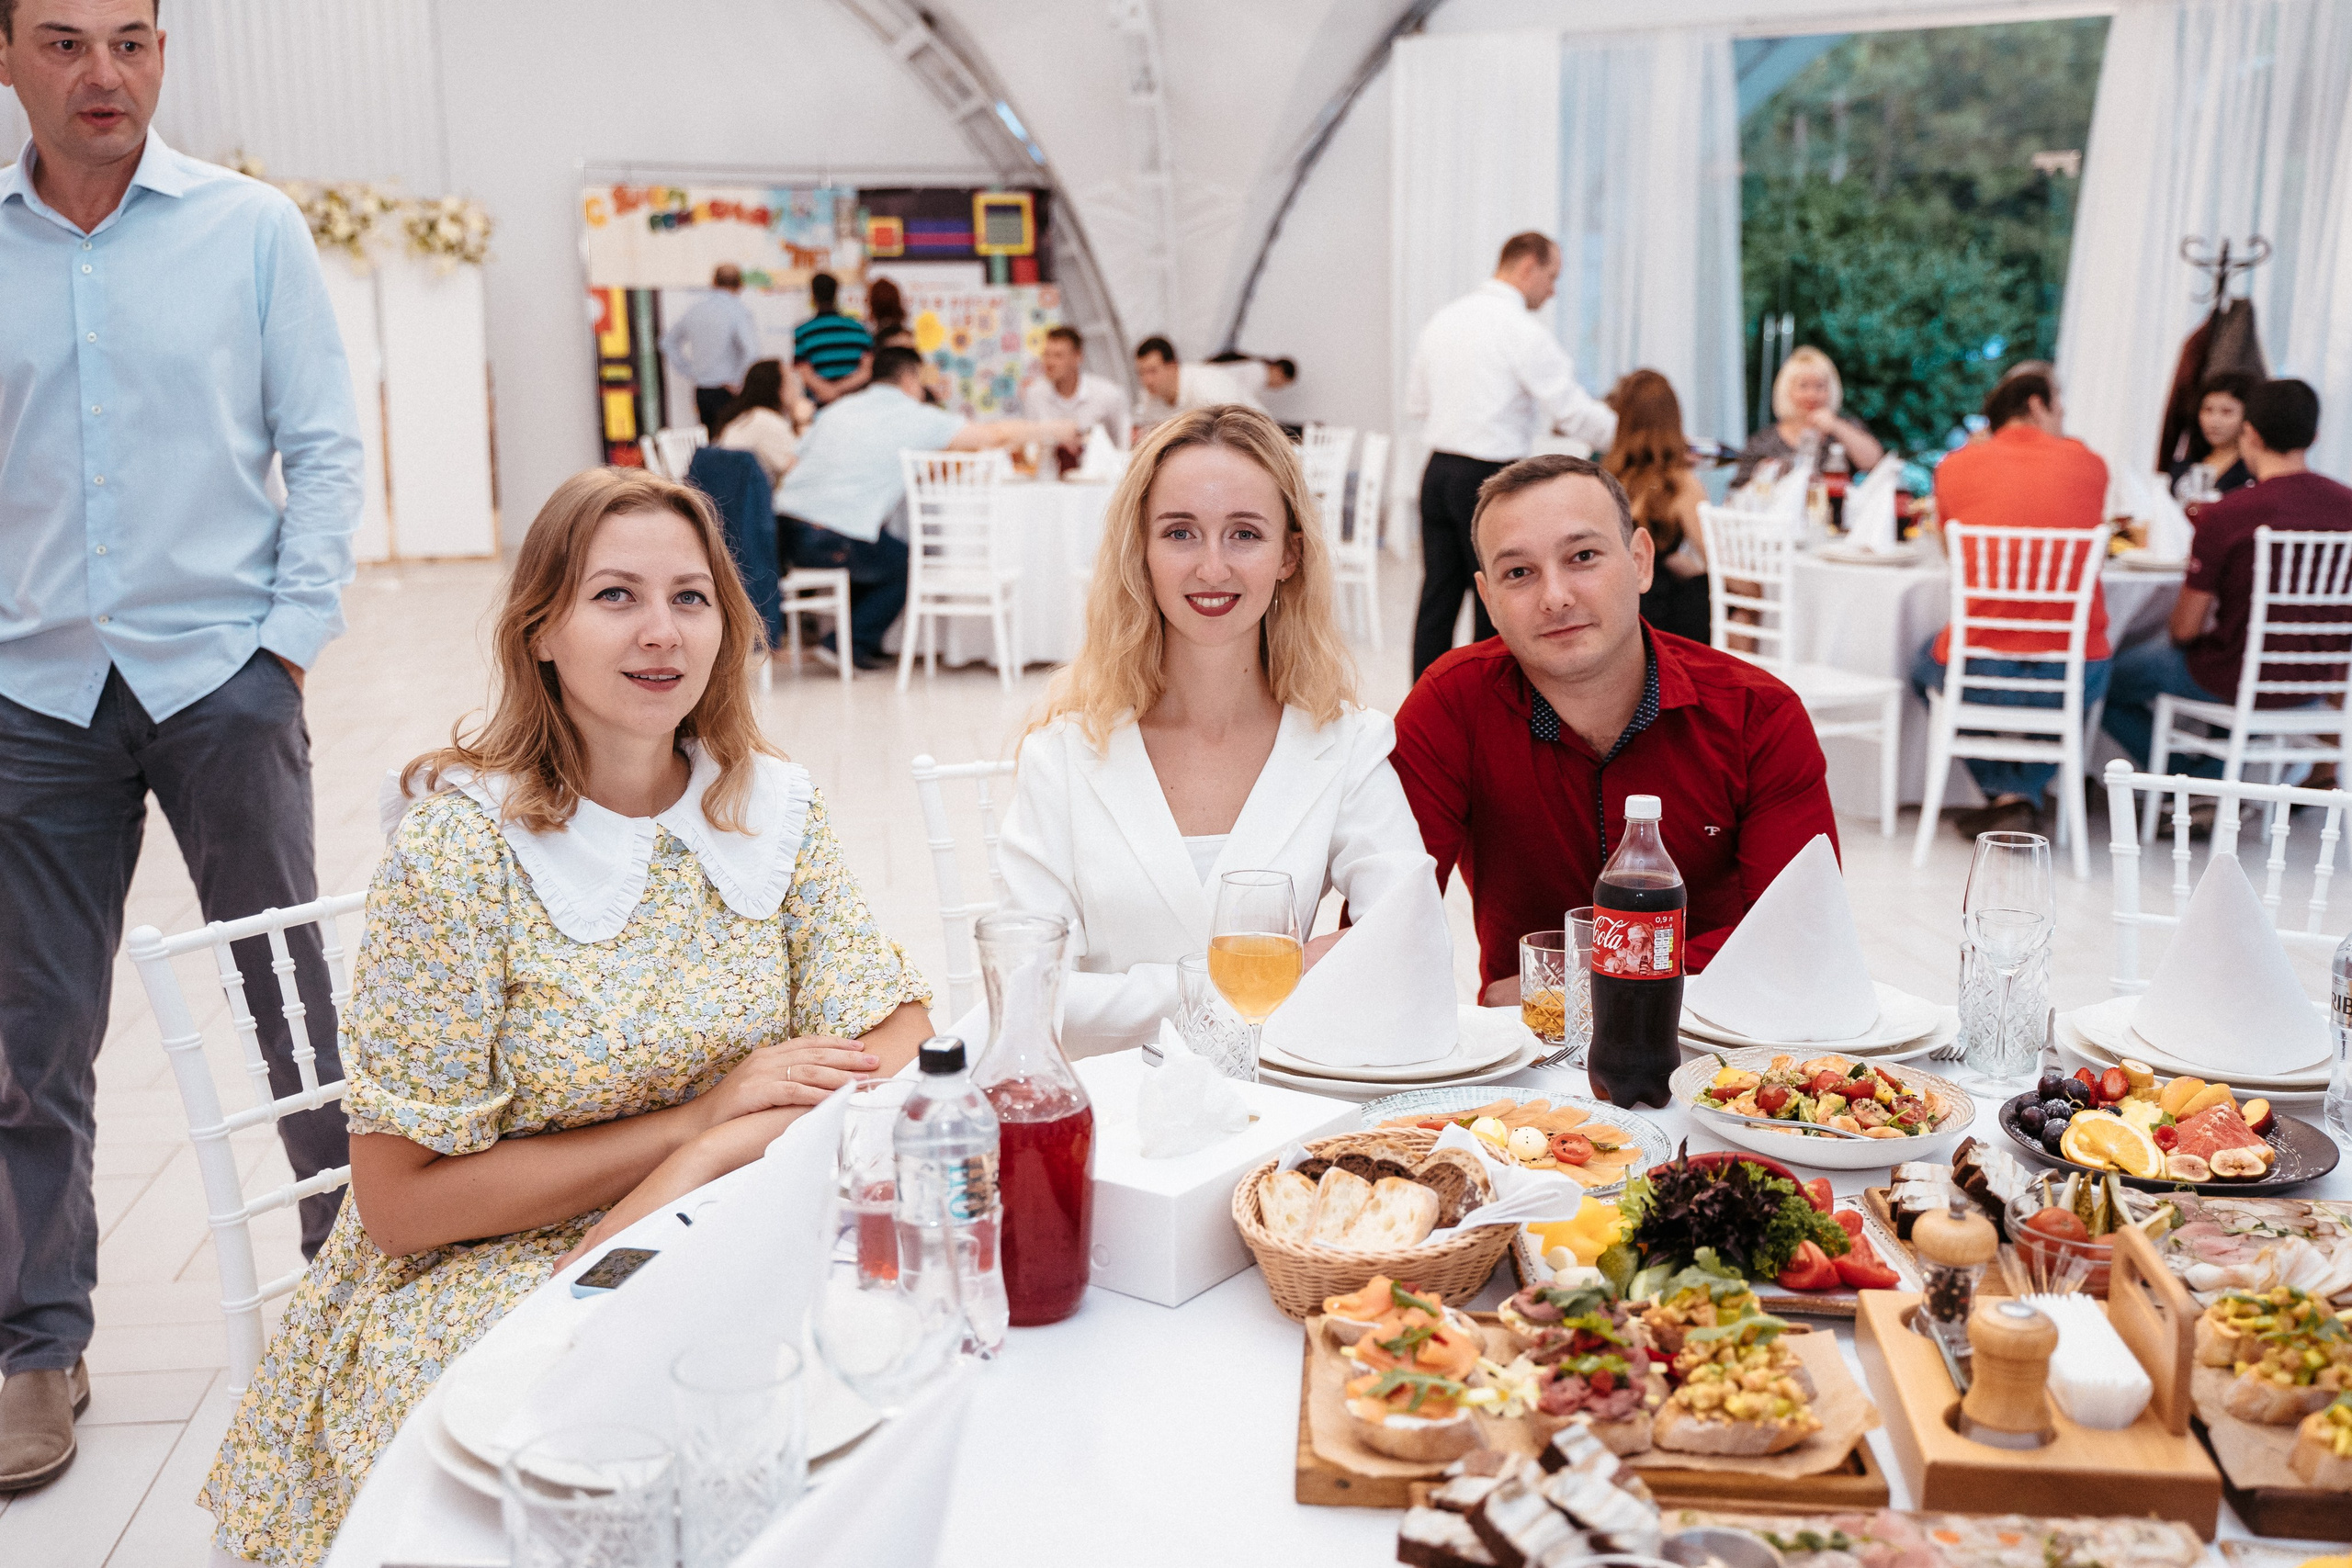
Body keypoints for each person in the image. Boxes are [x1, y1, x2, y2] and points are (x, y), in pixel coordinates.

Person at [199, 468, 934, 1564]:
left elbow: (893, 1030)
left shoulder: (762, 803)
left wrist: (711, 1153)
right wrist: (691, 1130)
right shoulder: (462, 852)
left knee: (890, 1409)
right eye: (615, 596)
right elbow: (400, 1207)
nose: (661, 633)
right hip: (490, 1271)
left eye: (691, 598)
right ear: (540, 629)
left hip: (724, 1211)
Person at [0, 0, 365, 1494]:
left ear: (163, 54)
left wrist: (284, 648)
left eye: (133, 41)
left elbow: (327, 441)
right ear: (10, 54)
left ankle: (359, 1303)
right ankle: (34, 1345)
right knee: (30, 1042)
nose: (105, 73)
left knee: (295, 1016)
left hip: (224, 679)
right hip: (34, 700)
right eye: (66, 39)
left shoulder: (250, 228)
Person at [1000, 406, 1432, 1055]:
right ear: (1139, 552)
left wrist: (1128, 997)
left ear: (1290, 554)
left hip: (1289, 1115)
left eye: (1244, 534)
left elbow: (1412, 940)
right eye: (1180, 533)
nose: (1211, 567)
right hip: (1116, 1126)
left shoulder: (1345, 745)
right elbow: (1024, 990)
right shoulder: (1061, 755)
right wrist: (1249, 978)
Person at [1392, 456, 1837, 1003]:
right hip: (1534, 1055)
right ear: (1488, 600)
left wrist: (1574, 980)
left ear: (1640, 562)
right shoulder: (1450, 705)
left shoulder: (1757, 714)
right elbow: (1386, 922)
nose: (1555, 596)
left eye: (1583, 557)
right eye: (1519, 573)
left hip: (1722, 1043)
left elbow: (1802, 931)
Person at [2106, 379, 2352, 773]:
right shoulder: (2347, 506)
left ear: (2249, 433)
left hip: (2233, 676)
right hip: (2312, 684)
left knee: (2109, 675)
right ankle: (2212, 783)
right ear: (2315, 436)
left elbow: (2183, 630)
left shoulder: (2228, 513)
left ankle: (2189, 779)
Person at [775, 345, 1075, 670]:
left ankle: (848, 641)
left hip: (782, 531)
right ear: (910, 378)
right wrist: (1054, 430)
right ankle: (846, 645)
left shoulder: (837, 409)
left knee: (882, 552)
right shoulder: (914, 416)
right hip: (832, 538)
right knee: (907, 564)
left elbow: (792, 463)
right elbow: (993, 435)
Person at [1405, 231, 1619, 680]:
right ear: (1528, 267)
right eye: (1552, 277)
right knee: (1500, 600)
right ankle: (1491, 706)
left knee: (1437, 597)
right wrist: (1632, 432)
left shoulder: (1443, 320)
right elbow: (1572, 409)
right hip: (1486, 478)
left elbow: (1417, 405)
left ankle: (1423, 709)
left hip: (1438, 470)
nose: (1553, 290)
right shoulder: (1521, 331)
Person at [1908, 366, 2111, 838]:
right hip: (2072, 668)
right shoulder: (2091, 464)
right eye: (2059, 404)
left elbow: (1951, 557)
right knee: (2092, 677)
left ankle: (2004, 794)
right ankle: (2024, 792)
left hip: (1981, 667)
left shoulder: (1954, 466)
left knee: (1923, 668)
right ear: (2038, 404)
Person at [1604, 370, 1712, 645]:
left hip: (1612, 605)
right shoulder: (1679, 484)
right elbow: (1716, 562)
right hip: (1657, 618)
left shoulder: (1605, 476)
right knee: (1718, 592)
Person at [1730, 346, 1884, 489]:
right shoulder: (1763, 442)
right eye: (1803, 386)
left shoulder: (1844, 429)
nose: (1812, 395)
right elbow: (1738, 492)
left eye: (1820, 386)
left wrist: (1836, 426)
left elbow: (1874, 463)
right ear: (1787, 391)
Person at [660, 263, 762, 434]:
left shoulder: (696, 310)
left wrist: (689, 370)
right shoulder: (738, 311)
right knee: (731, 445)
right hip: (728, 392)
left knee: (711, 445)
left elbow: (667, 342)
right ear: (740, 285)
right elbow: (751, 351)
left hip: (702, 391)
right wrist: (739, 381)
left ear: (713, 282)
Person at [1022, 324, 1131, 450]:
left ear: (1078, 357)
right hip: (1050, 468)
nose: (1050, 362)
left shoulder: (1108, 394)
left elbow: (1124, 443)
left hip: (1097, 467)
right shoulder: (1035, 394)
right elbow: (1031, 444)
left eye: (1058, 356)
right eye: (1046, 355)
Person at [1132, 337, 1269, 432]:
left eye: (1152, 371)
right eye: (1141, 373)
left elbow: (1241, 428)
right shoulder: (1150, 397)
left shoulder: (1207, 386)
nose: (1147, 380)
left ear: (1173, 366)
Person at [2165, 370, 2259, 502]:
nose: (2214, 422)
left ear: (2248, 416)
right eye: (2208, 410)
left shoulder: (2252, 474)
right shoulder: (2181, 467)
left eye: (2227, 412)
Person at [712, 359, 798, 494]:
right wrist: (803, 422)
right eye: (791, 383)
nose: (797, 390)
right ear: (777, 389)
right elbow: (797, 469)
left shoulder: (745, 416)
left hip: (730, 497)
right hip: (750, 501)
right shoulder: (767, 421)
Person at [793, 270, 873, 409]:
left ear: (813, 296)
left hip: (821, 407)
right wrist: (840, 390)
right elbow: (867, 370)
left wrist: (829, 391)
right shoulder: (858, 329)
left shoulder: (803, 331)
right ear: (836, 294)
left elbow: (803, 372)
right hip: (855, 406)